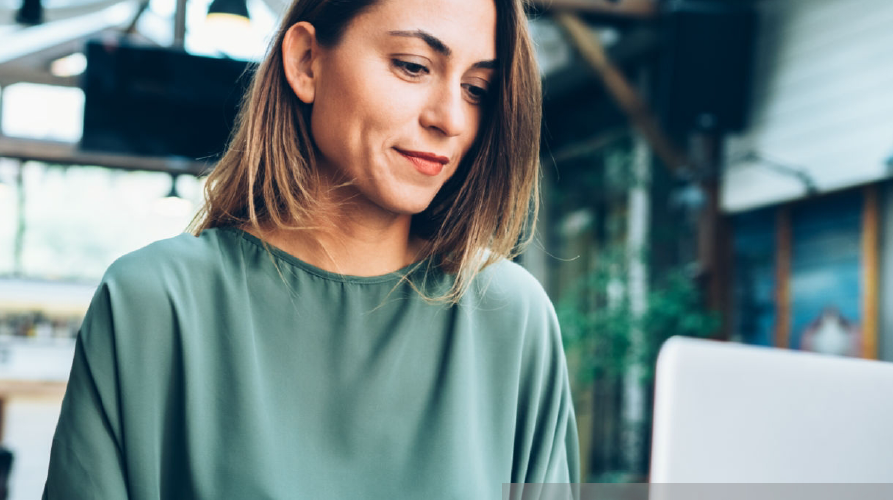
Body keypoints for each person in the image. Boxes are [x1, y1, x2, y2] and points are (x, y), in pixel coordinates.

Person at [42, 0, 579, 497]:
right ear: (305, 61)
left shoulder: (510, 316)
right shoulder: (153, 304)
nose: (451, 118)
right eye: (414, 66)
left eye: (477, 89)